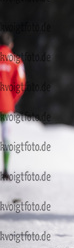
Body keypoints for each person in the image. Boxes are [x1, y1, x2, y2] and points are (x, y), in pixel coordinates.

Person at [0, 31, 26, 180]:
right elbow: (20, 84)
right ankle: (6, 170)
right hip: (6, 104)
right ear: (11, 45)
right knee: (6, 138)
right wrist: (11, 99)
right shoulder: (16, 61)